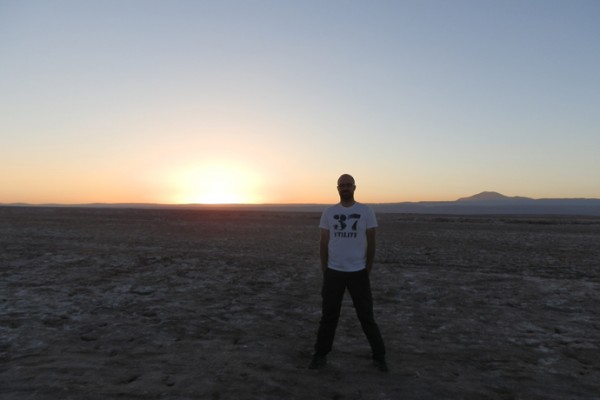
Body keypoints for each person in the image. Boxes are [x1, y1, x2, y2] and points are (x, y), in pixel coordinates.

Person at [309, 174, 388, 372]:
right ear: (337, 188)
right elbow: (323, 242)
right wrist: (325, 267)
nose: (345, 188)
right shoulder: (329, 212)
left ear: (354, 187)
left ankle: (379, 356)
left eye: (348, 185)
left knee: (366, 316)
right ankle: (320, 354)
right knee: (329, 316)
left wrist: (368, 267)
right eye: (342, 185)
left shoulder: (366, 211)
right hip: (334, 272)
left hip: (358, 272)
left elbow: (371, 241)